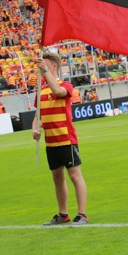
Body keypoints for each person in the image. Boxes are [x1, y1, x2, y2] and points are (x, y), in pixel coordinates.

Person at [32, 52, 90, 226]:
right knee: (57, 178)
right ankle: (63, 215)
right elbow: (38, 116)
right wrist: (35, 129)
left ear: (54, 66)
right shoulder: (40, 90)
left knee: (75, 176)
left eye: (44, 64)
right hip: (51, 142)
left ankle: (82, 215)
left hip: (66, 139)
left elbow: (57, 92)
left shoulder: (65, 85)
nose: (41, 67)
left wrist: (44, 71)